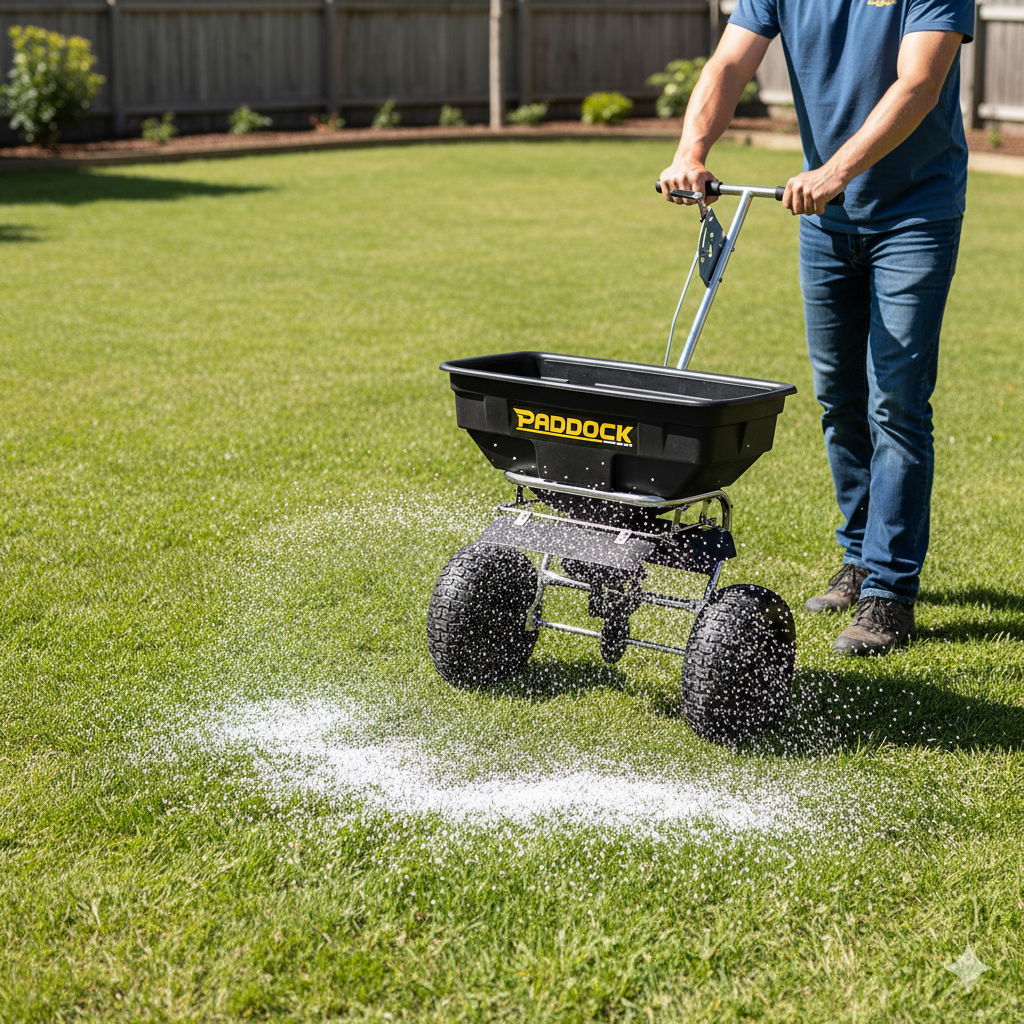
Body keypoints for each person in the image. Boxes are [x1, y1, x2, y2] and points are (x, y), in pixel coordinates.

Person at [659, 0, 975, 656]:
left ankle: (889, 591)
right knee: (839, 399)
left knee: (897, 401)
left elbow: (919, 83)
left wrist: (835, 171)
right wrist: (692, 149)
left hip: (913, 215)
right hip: (828, 223)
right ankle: (859, 556)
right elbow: (729, 62)